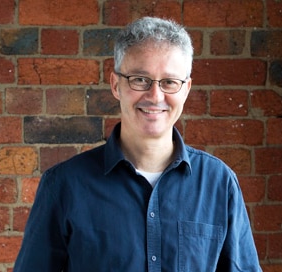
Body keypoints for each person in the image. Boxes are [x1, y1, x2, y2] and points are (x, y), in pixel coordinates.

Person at [13, 17, 262, 272]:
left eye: (169, 82)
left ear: (186, 89)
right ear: (115, 85)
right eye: (140, 79)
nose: (155, 96)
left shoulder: (218, 183)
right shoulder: (64, 186)